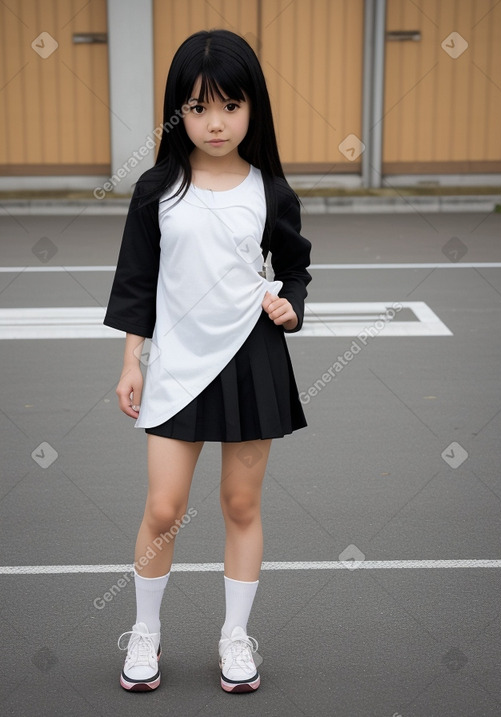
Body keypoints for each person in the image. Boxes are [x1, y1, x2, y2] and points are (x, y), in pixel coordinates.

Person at [104, 28, 311, 694]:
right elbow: (137, 281)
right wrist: (132, 360)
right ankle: (145, 632)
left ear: (253, 108)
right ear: (177, 112)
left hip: (253, 357)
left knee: (240, 503)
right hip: (176, 362)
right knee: (164, 506)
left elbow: (294, 267)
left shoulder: (271, 189)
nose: (215, 122)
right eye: (197, 108)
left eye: (230, 105)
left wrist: (290, 305)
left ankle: (235, 636)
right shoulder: (157, 189)